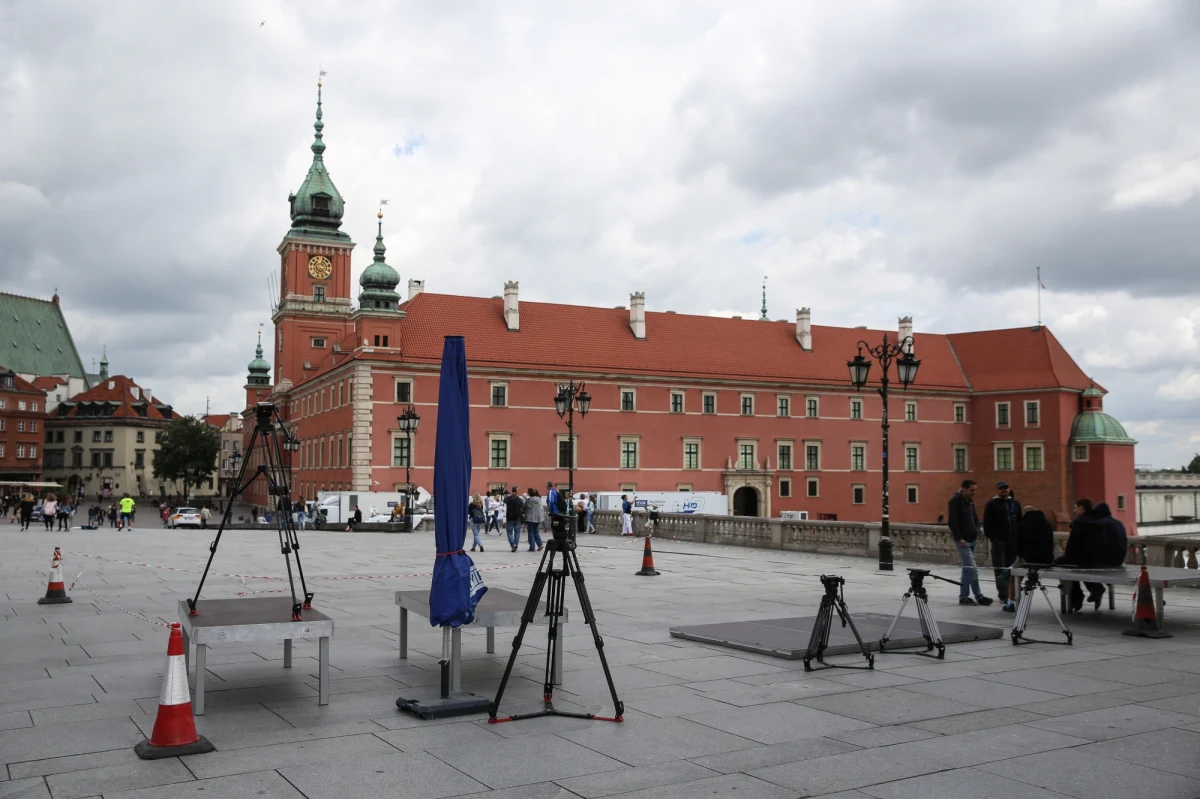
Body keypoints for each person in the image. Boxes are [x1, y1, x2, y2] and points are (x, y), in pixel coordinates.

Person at [947, 479, 993, 606]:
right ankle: (979, 596)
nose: (974, 492)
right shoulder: (955, 501)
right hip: (963, 541)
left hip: (972, 539)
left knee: (967, 569)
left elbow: (975, 518)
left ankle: (964, 597)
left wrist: (977, 530)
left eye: (976, 489)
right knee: (972, 569)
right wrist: (959, 538)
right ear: (964, 489)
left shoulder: (969, 501)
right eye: (972, 490)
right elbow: (952, 522)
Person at [1056, 498, 1107, 611]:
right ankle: (1095, 587)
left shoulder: (1080, 523)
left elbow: (1072, 545)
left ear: (1082, 508)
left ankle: (1076, 598)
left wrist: (1067, 555)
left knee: (1061, 564)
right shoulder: (1099, 521)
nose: (1074, 510)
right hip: (1099, 558)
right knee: (1077, 565)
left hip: (1084, 558)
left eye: (1075, 508)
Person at [984, 481, 1023, 612]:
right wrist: (993, 537)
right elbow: (987, 522)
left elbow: (1020, 520)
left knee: (1011, 568)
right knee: (1000, 568)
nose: (1004, 491)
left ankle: (1012, 594)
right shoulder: (991, 504)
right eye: (1001, 489)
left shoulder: (1015, 504)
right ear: (997, 490)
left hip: (1013, 540)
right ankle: (1003, 594)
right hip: (999, 540)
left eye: (1006, 488)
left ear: (1009, 489)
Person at [504, 486, 524, 552]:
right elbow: (522, 508)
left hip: (509, 517)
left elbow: (504, 501)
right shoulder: (519, 499)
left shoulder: (508, 498)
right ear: (517, 491)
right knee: (517, 532)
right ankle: (516, 545)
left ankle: (513, 545)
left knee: (509, 532)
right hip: (517, 517)